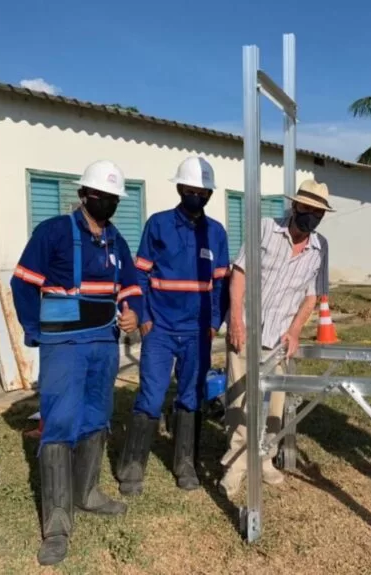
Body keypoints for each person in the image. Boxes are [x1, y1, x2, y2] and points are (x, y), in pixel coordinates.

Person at [10, 159, 142, 566]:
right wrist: (38, 332)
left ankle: (87, 494)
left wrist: (133, 312)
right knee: (60, 422)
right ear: (84, 194)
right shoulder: (53, 233)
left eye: (113, 198)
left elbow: (132, 286)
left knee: (96, 417)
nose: (107, 203)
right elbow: (23, 283)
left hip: (104, 344)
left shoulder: (116, 240)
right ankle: (57, 524)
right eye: (101, 196)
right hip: (64, 345)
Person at [117, 157, 230, 494]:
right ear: (180, 188)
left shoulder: (216, 233)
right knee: (151, 396)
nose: (199, 196)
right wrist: (146, 318)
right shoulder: (159, 225)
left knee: (191, 396)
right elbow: (141, 274)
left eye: (205, 192)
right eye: (193, 190)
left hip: (198, 333)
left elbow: (222, 284)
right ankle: (133, 466)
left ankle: (185, 464)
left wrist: (213, 323)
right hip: (161, 330)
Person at [218, 179, 332, 498]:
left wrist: (295, 330)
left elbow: (312, 296)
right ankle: (237, 465)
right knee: (240, 401)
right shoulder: (265, 229)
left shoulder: (320, 247)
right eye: (307, 209)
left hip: (279, 339)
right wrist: (236, 320)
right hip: (247, 329)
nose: (311, 217)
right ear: (295, 206)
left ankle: (265, 458)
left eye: (318, 213)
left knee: (273, 405)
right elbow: (238, 274)